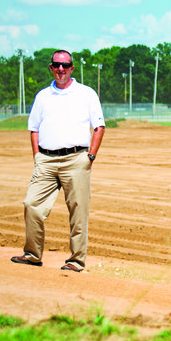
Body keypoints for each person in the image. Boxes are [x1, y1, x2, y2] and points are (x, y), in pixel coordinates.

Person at [11, 50, 105, 272]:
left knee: (78, 211)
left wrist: (90, 156)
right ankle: (33, 254)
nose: (60, 69)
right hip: (46, 159)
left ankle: (76, 260)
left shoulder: (86, 94)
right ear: (51, 68)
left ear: (72, 68)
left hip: (76, 159)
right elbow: (33, 128)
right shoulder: (43, 96)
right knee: (31, 205)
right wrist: (37, 156)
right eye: (56, 65)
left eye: (65, 65)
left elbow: (99, 127)